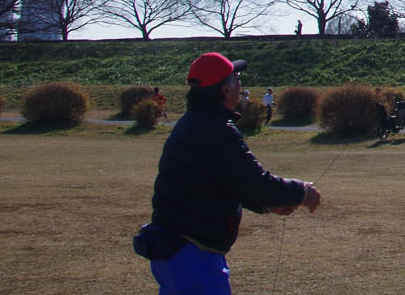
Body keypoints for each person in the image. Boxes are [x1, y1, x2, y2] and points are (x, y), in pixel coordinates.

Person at [137, 52, 320, 295]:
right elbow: (255, 182)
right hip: (190, 253)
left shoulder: (199, 123)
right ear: (224, 89)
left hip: (182, 250)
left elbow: (225, 183)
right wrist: (301, 192)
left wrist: (267, 205)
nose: (240, 84)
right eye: (235, 78)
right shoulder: (214, 129)